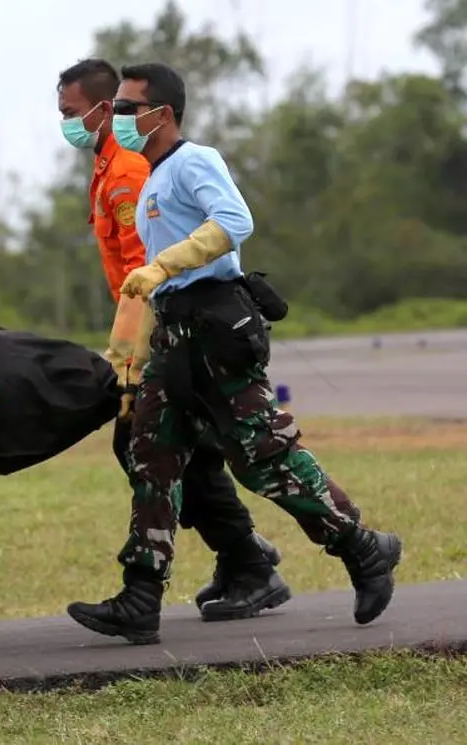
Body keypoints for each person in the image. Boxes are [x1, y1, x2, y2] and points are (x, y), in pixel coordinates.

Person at [66, 63, 402, 644]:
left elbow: (235, 221)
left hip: (216, 330)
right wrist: (132, 356)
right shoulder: (150, 178)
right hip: (174, 337)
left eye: (126, 107)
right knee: (152, 453)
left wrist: (165, 262)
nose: (117, 119)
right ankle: (141, 596)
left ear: (160, 114)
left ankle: (364, 549)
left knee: (263, 457)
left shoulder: (195, 161)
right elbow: (150, 287)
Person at [56, 58, 291, 621]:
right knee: (183, 451)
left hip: (173, 328)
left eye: (71, 112)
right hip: (157, 328)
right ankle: (244, 561)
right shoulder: (109, 166)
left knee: (180, 449)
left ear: (107, 107)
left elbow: (151, 268)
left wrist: (130, 364)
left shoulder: (134, 171)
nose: (64, 122)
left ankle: (250, 559)